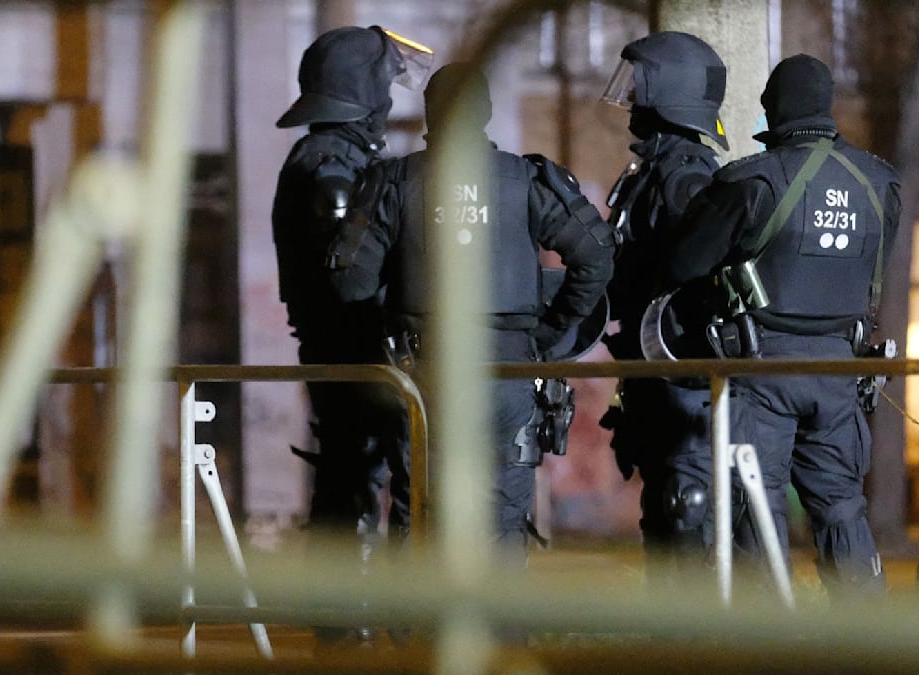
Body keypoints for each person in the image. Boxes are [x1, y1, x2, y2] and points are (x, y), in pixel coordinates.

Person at [327, 62, 615, 561]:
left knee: (426, 517)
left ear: (430, 114)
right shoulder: (528, 180)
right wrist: (550, 334)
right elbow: (595, 255)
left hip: (427, 373)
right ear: (484, 113)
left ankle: (424, 634)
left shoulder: (393, 181)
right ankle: (500, 634)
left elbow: (350, 281)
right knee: (502, 520)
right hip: (508, 373)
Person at [663, 54, 901, 598]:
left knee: (757, 512)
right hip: (840, 372)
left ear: (775, 108)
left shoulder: (752, 180)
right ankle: (869, 638)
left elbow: (683, 264)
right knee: (842, 509)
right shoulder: (880, 183)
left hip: (760, 370)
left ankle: (770, 643)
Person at [271, 25, 432, 632]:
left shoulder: (337, 156)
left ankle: (357, 621)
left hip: (351, 344)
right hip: (355, 343)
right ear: (360, 91)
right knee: (361, 481)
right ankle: (358, 624)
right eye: (382, 86)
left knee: (354, 477)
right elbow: (350, 259)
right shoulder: (330, 164)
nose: (389, 101)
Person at [594, 31, 729, 560]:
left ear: (668, 95)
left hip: (680, 372)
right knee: (663, 507)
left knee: (684, 502)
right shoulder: (653, 172)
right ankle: (672, 636)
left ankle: (697, 637)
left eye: (638, 87)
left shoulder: (685, 179)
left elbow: (699, 277)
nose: (628, 102)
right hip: (652, 368)